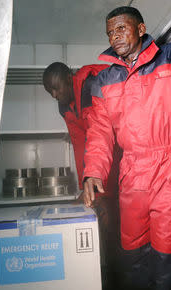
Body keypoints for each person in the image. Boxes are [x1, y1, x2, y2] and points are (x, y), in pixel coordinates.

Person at [81, 6, 171, 290]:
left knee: (170, 257)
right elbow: (100, 131)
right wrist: (93, 172)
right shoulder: (104, 81)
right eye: (110, 32)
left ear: (140, 29)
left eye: (121, 28)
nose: (114, 37)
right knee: (133, 258)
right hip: (132, 176)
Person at [42, 62, 122, 289]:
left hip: (117, 152)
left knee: (118, 222)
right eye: (50, 92)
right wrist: (85, 186)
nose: (55, 95)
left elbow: (102, 135)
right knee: (106, 223)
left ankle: (125, 276)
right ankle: (113, 278)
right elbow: (80, 143)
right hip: (101, 160)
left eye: (57, 88)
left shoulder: (89, 86)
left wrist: (99, 188)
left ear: (70, 77)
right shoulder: (64, 105)